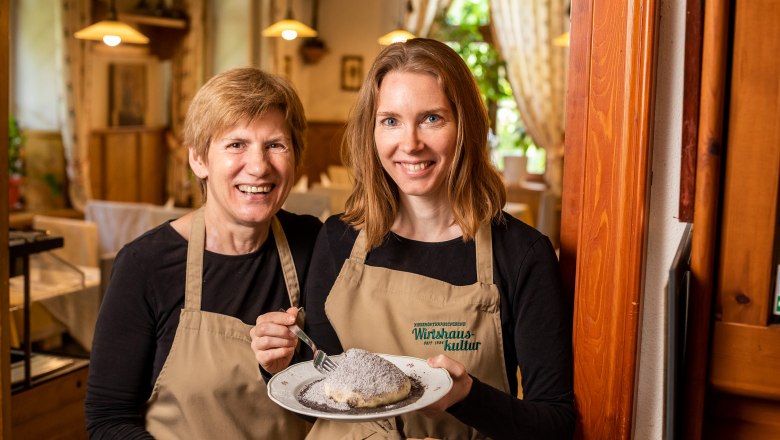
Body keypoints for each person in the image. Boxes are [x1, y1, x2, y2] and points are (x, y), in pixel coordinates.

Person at [251, 38, 574, 439]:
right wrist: (277, 367)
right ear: (372, 131)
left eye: (431, 119)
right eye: (391, 121)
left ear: (466, 126)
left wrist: (468, 395)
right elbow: (321, 403)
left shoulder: (522, 253)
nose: (410, 143)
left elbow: (555, 424)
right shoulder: (337, 239)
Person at [85, 67, 321, 439]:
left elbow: (338, 392)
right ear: (198, 159)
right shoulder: (144, 266)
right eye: (235, 144)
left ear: (296, 158)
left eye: (276, 144)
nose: (259, 166)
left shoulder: (313, 244)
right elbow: (108, 420)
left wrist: (285, 368)